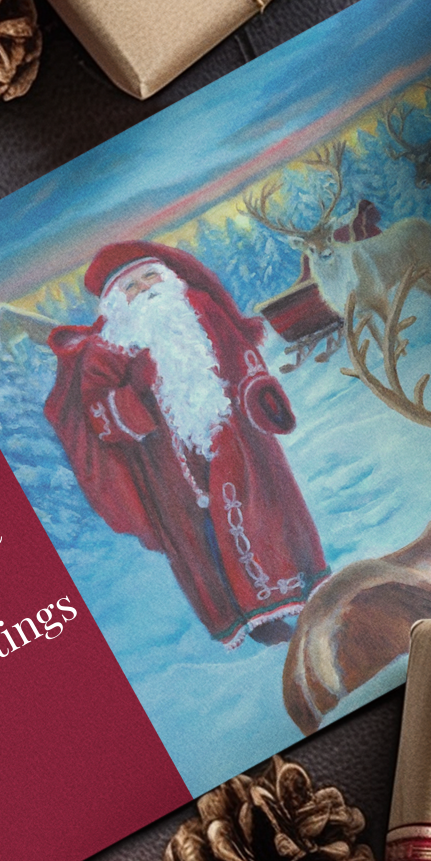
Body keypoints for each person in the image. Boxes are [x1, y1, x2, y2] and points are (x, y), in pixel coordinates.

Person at [45, 240, 327, 647]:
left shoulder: (198, 307)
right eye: (131, 286)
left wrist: (259, 392)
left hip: (237, 438)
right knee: (203, 541)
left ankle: (298, 592)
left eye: (150, 277)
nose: (146, 289)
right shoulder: (109, 346)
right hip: (168, 468)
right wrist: (138, 392)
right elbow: (99, 413)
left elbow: (239, 353)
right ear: (115, 302)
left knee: (265, 513)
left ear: (167, 277)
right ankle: (251, 619)